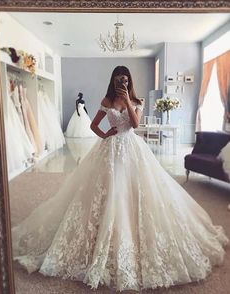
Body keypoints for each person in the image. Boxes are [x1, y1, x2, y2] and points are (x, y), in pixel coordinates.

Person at [12, 66, 228, 292]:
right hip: (110, 149)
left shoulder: (137, 100)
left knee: (137, 191)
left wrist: (127, 101)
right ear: (113, 81)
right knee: (102, 192)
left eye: (124, 80)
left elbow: (135, 124)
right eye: (118, 80)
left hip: (133, 148)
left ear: (129, 80)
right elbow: (93, 124)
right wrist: (104, 134)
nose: (121, 83)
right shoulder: (106, 100)